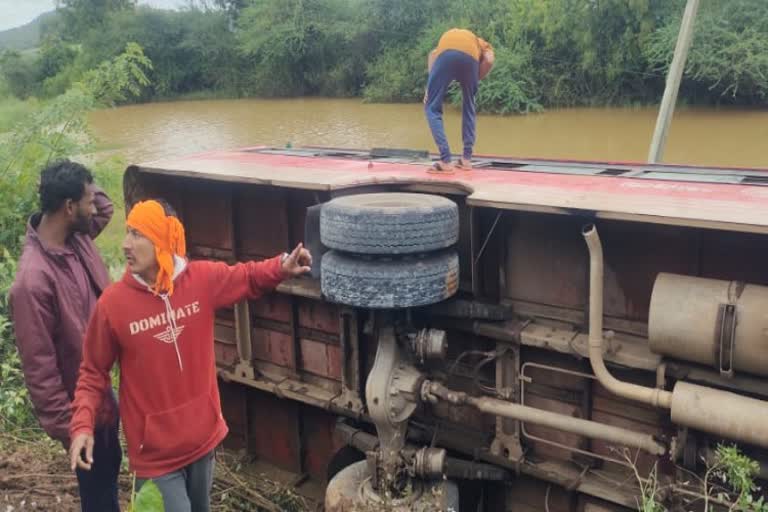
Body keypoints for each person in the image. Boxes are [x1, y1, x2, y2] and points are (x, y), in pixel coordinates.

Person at [69, 199, 312, 512]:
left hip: (202, 440)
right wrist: (82, 426)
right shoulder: (112, 306)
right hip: (155, 456)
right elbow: (92, 372)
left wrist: (281, 266)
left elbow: (247, 277)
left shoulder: (200, 281)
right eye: (127, 233)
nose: (126, 244)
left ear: (162, 241)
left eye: (137, 234)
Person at [10, 159, 121, 511]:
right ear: (70, 207)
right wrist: (74, 430)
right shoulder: (32, 281)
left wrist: (73, 177)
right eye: (87, 199)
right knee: (98, 497)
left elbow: (105, 207)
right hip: (81, 413)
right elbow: (40, 372)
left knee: (110, 474)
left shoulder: (79, 236)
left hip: (103, 394)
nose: (96, 205)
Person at [424, 28, 495, 174]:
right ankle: (466, 160)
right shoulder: (483, 45)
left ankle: (445, 161)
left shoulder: (454, 38)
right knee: (469, 106)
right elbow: (489, 59)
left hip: (446, 53)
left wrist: (430, 88)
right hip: (471, 59)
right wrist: (476, 77)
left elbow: (432, 54)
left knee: (432, 108)